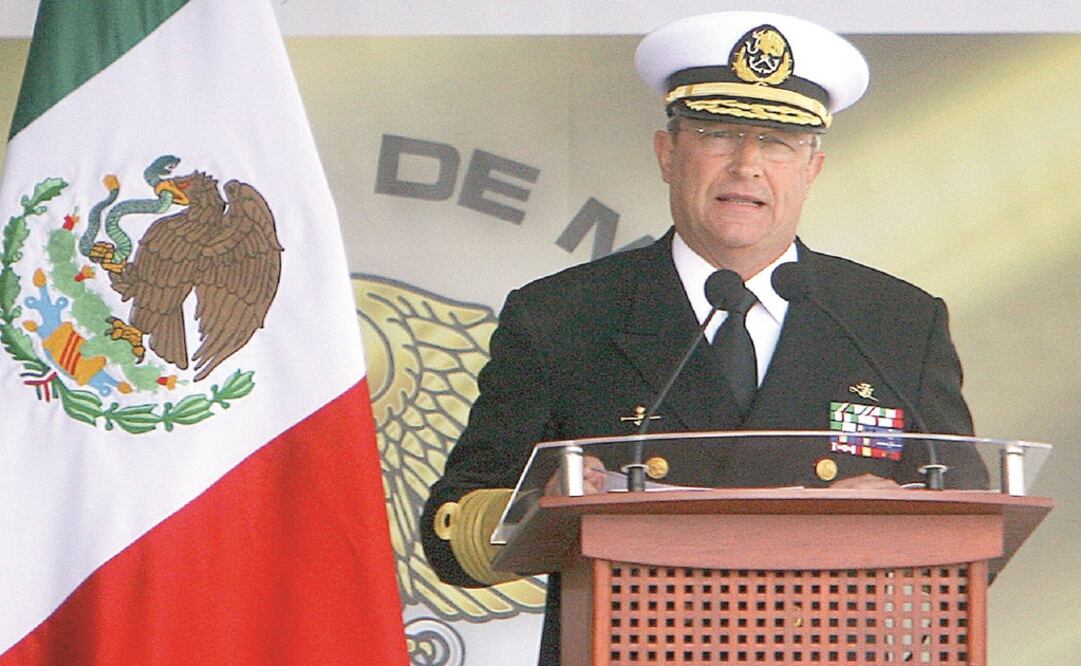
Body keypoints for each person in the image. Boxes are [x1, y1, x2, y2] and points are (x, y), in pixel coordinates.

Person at [421, 11, 988, 664]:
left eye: (778, 142)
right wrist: (543, 511)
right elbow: (450, 533)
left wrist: (893, 526)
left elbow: (974, 531)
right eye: (718, 134)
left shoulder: (894, 322)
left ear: (812, 168)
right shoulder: (563, 316)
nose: (747, 165)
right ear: (667, 154)